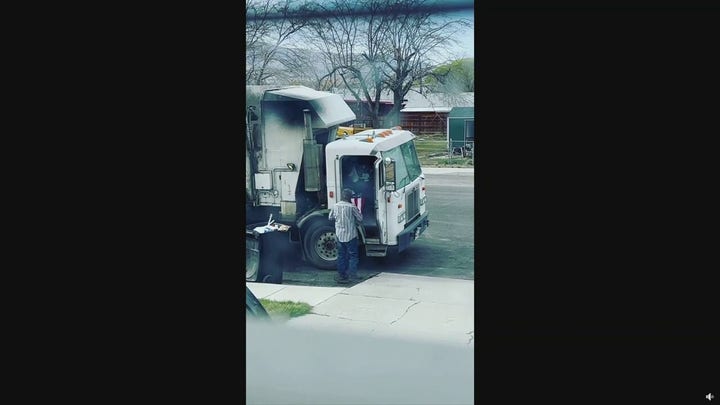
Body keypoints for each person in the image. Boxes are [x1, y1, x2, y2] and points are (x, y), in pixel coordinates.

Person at [328, 188, 363, 284]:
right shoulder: (352, 207)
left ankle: (342, 275)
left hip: (339, 235)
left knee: (341, 255)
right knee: (353, 256)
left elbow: (330, 217)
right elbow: (360, 218)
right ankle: (353, 275)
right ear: (350, 198)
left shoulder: (335, 206)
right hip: (351, 235)